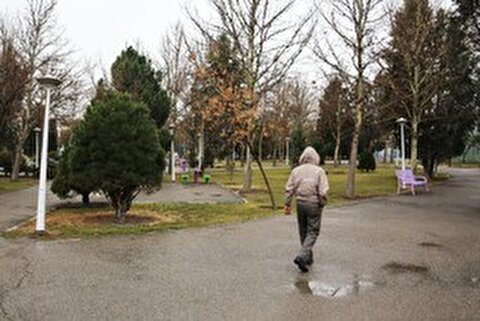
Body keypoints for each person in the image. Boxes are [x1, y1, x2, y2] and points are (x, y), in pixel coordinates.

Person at [284, 146, 329, 272]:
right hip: (314, 204)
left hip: (300, 204)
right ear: (316, 158)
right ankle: (302, 256)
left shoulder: (296, 171)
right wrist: (322, 202)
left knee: (303, 231)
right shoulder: (319, 171)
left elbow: (289, 188)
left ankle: (307, 257)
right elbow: (323, 191)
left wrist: (287, 204)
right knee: (313, 231)